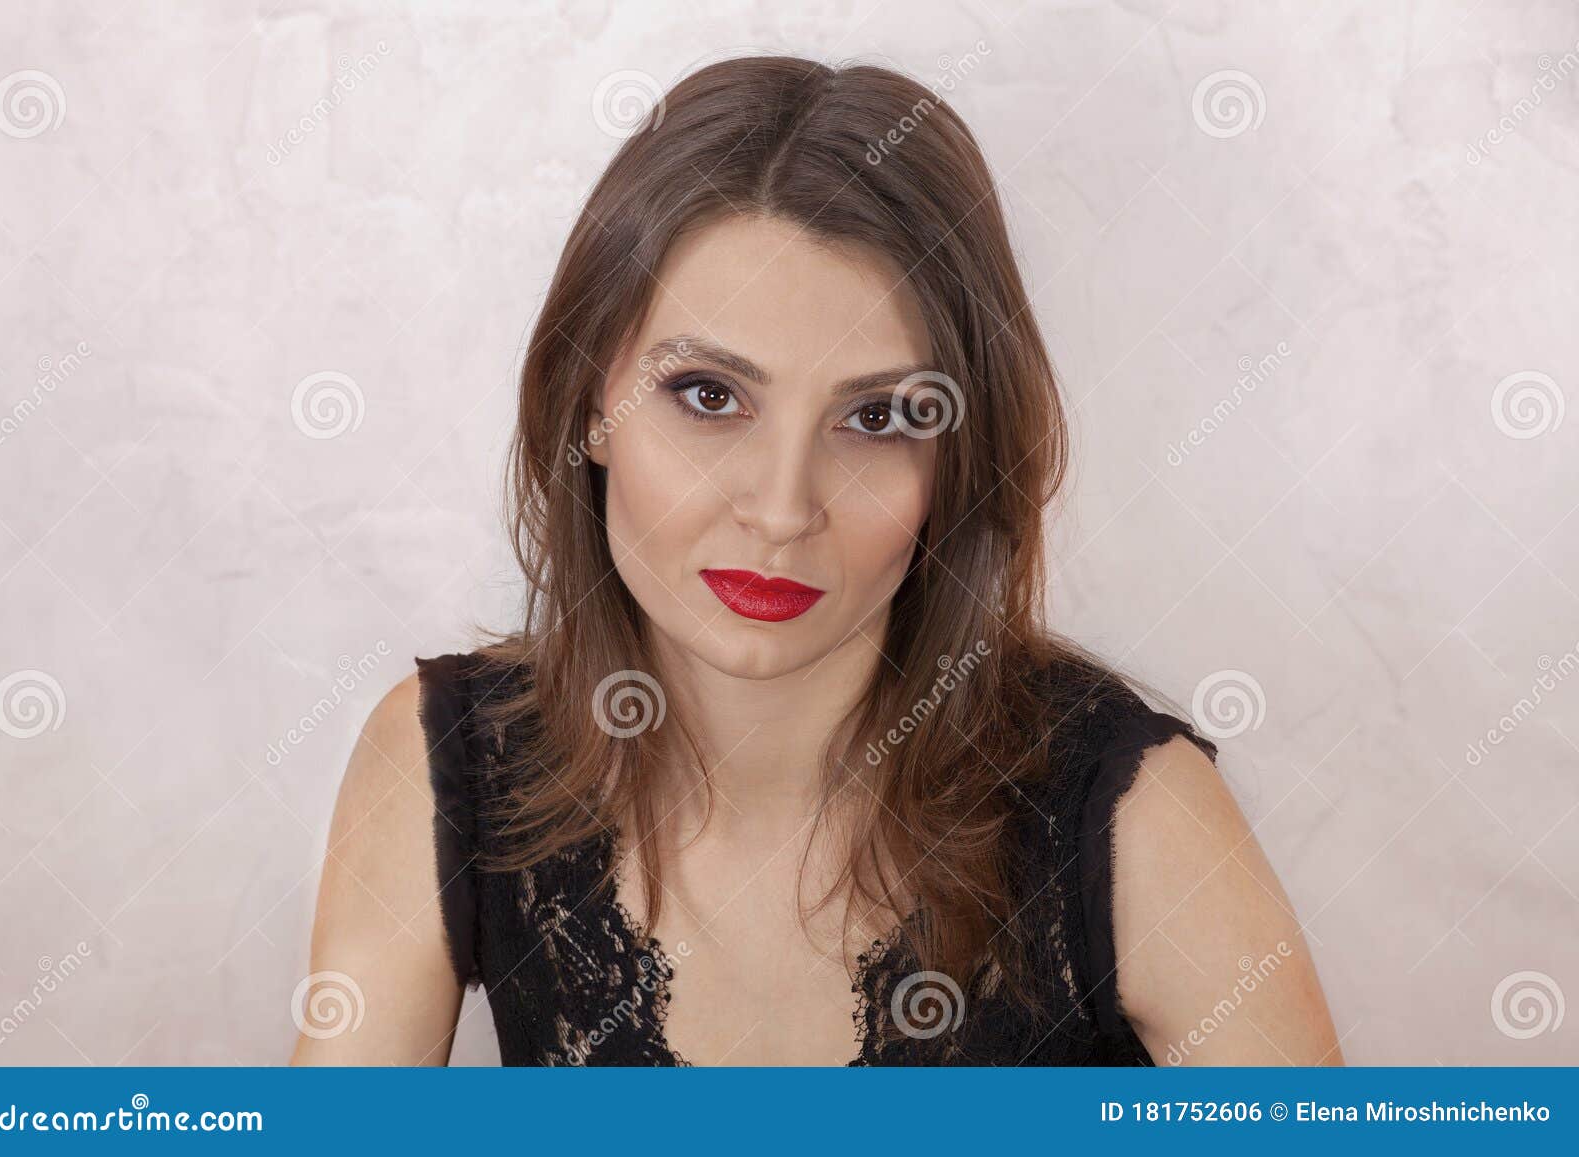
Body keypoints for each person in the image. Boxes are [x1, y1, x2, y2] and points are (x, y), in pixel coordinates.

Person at [291, 54, 1341, 1067]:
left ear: (957, 459)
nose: (782, 509)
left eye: (877, 417)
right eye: (708, 394)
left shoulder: (1136, 816)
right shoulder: (446, 762)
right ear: (588, 404)